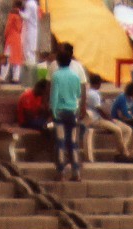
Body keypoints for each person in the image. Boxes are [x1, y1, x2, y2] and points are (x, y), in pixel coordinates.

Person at [49, 43, 85, 179]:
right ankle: (76, 171)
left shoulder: (56, 76)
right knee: (73, 143)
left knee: (60, 142)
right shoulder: (75, 76)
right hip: (72, 112)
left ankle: (61, 171)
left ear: (58, 62)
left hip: (59, 112)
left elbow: (54, 95)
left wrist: (52, 111)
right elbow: (78, 94)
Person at [0, 1, 25, 82]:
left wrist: (4, 36)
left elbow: (8, 27)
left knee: (6, 58)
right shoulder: (21, 16)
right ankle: (16, 77)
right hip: (18, 39)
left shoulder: (12, 15)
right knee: (17, 60)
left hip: (11, 38)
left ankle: (2, 77)